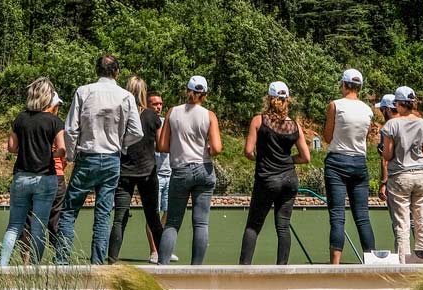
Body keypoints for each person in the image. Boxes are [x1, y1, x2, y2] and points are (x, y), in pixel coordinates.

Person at [55, 55, 143, 265]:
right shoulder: (126, 96)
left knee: (69, 211)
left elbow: (71, 128)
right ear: (117, 72)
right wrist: (121, 144)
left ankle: (62, 262)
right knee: (103, 214)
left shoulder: (83, 91)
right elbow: (137, 132)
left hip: (87, 155)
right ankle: (97, 263)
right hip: (111, 158)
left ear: (97, 71)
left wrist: (71, 153)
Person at [239, 81, 310, 265]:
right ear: (287, 100)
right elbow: (305, 157)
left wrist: (261, 158)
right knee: (283, 226)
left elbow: (248, 151)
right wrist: (287, 160)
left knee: (253, 226)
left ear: (269, 99)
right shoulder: (295, 126)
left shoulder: (259, 120)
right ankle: (282, 271)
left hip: (267, 180)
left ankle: (243, 271)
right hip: (289, 180)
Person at [157, 75, 222, 266]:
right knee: (201, 223)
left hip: (181, 170)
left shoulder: (172, 112)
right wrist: (206, 149)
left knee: (172, 223)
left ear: (187, 91)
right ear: (205, 95)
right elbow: (217, 148)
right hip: (204, 169)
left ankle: (163, 267)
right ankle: (197, 271)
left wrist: (178, 146)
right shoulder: (209, 115)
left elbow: (162, 145)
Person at [0, 78, 65, 265]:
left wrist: (26, 148)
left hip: (21, 177)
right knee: (38, 228)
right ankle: (35, 268)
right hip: (45, 178)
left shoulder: (20, 118)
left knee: (14, 226)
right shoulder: (54, 121)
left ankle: (1, 266)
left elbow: (11, 147)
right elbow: (62, 150)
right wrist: (51, 152)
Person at [107, 76, 164, 263]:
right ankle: (162, 257)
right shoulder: (151, 116)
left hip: (124, 171)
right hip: (147, 171)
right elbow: (160, 144)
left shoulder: (119, 114)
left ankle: (112, 259)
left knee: (119, 218)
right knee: (153, 217)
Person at [322, 68, 375, 264]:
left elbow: (327, 137)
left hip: (337, 162)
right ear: (360, 87)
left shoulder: (335, 105)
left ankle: (335, 266)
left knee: (337, 216)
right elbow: (365, 137)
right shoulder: (368, 110)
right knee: (362, 217)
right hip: (359, 163)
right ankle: (371, 262)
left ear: (343, 85)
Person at [381, 86, 423, 262]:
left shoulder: (392, 125)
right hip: (421, 174)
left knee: (402, 224)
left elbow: (387, 155)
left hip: (400, 176)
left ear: (398, 104)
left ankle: (403, 265)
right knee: (422, 220)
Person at [146, 91, 173, 263]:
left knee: (169, 212)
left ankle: (163, 246)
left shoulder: (166, 123)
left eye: (160, 104)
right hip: (153, 174)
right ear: (147, 104)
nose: (159, 107)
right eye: (155, 104)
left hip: (170, 173)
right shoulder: (145, 122)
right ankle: (154, 251)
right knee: (152, 214)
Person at [375, 94, 397, 205]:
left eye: (381, 109)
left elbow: (386, 158)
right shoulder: (413, 123)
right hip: (418, 176)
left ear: (387, 110)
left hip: (396, 178)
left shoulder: (387, 128)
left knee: (399, 219)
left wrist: (383, 183)